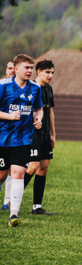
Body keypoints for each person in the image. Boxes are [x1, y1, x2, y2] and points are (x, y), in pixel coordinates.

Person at [0, 54, 43, 227]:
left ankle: (14, 215)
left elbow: (39, 109)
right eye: (27, 67)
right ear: (16, 69)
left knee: (18, 173)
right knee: (2, 175)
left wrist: (38, 118)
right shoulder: (3, 86)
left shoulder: (35, 88)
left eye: (31, 68)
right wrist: (10, 116)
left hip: (23, 139)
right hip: (2, 138)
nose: (30, 71)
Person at [23, 60, 56, 215]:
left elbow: (50, 112)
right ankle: (12, 198)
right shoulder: (31, 88)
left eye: (52, 73)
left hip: (45, 135)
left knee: (43, 168)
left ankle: (37, 207)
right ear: (39, 72)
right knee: (32, 167)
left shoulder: (49, 89)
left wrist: (53, 134)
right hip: (33, 134)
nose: (50, 76)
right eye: (47, 72)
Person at [2, 60, 14, 211]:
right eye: (9, 68)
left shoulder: (22, 88)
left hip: (14, 135)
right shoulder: (2, 86)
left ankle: (7, 202)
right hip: (2, 133)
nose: (12, 70)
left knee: (12, 169)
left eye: (14, 68)